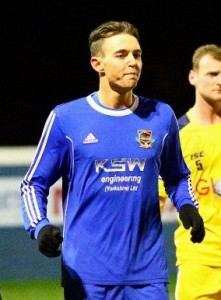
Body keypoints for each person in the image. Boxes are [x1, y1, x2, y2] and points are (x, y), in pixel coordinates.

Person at [20, 20, 205, 300]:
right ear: (98, 64)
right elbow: (33, 184)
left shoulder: (161, 116)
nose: (132, 62)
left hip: (148, 275)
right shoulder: (67, 118)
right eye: (121, 55)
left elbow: (177, 176)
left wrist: (188, 205)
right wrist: (40, 226)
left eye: (137, 54)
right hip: (87, 278)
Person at [159, 44, 221, 300]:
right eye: (212, 74)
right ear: (193, 76)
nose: (220, 81)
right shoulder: (178, 135)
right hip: (199, 257)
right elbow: (156, 201)